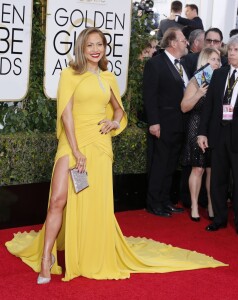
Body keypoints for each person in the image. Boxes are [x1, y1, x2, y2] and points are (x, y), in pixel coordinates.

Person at [5, 27, 226, 283]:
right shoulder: (69, 74)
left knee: (93, 203)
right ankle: (46, 257)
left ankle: (88, 252)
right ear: (82, 48)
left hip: (99, 145)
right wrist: (76, 150)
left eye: (99, 44)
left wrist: (113, 121)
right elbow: (66, 115)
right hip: (73, 142)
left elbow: (119, 111)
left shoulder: (107, 77)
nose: (95, 49)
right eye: (90, 45)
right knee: (57, 199)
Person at [198, 34, 238, 236]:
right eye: (230, 49)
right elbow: (208, 106)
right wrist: (202, 133)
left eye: (236, 50)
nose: (231, 53)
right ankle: (219, 219)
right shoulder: (219, 73)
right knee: (217, 178)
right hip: (218, 133)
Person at [143, 27, 189, 217]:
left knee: (171, 164)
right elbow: (149, 95)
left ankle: (165, 200)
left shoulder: (182, 64)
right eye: (183, 39)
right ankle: (153, 203)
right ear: (172, 43)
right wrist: (154, 122)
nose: (186, 42)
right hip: (162, 123)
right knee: (160, 163)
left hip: (179, 123)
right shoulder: (156, 64)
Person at [181, 48, 221, 222]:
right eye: (212, 59)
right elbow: (184, 107)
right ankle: (195, 205)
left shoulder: (221, 81)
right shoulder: (196, 81)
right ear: (204, 61)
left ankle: (211, 205)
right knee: (198, 167)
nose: (216, 63)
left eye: (218, 60)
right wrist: (198, 94)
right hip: (196, 126)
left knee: (212, 170)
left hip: (214, 128)